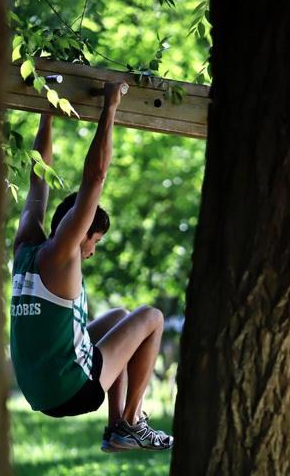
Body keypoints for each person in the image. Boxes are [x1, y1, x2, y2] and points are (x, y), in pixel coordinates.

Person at [10, 81, 173, 452]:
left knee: (118, 315)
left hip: (37, 386)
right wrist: (110, 107)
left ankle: (116, 426)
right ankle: (130, 422)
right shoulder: (62, 254)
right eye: (93, 241)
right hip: (69, 390)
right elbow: (95, 176)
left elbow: (39, 176)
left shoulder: (24, 247)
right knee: (152, 318)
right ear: (77, 230)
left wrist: (46, 112)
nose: (92, 252)